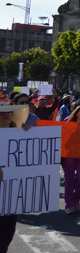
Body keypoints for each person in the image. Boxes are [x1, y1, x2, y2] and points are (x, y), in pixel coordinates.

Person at [0, 103, 31, 252]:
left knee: (7, 232)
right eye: (2, 113)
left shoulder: (20, 133)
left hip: (10, 193)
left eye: (9, 112)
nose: (7, 114)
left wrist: (28, 134)